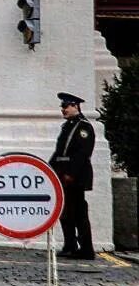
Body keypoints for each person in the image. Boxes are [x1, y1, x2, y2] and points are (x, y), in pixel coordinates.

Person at [49, 92, 96, 260]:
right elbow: (59, 152)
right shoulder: (67, 126)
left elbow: (82, 154)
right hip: (63, 174)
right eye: (62, 106)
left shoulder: (83, 127)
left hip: (75, 177)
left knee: (79, 213)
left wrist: (70, 174)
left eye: (65, 106)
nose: (63, 109)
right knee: (66, 212)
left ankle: (86, 249)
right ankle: (70, 245)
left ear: (75, 106)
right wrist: (49, 169)